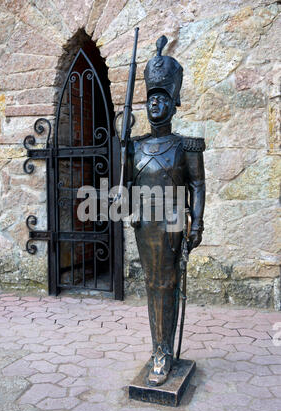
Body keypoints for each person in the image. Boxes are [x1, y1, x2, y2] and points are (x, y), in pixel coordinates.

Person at [126, 36, 206, 386]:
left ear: (174, 104)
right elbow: (126, 185)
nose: (155, 104)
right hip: (145, 223)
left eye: (162, 98)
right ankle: (160, 346)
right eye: (151, 99)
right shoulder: (135, 147)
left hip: (173, 220)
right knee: (151, 283)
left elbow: (197, 186)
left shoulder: (185, 145)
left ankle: (163, 352)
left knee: (166, 282)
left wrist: (197, 223)